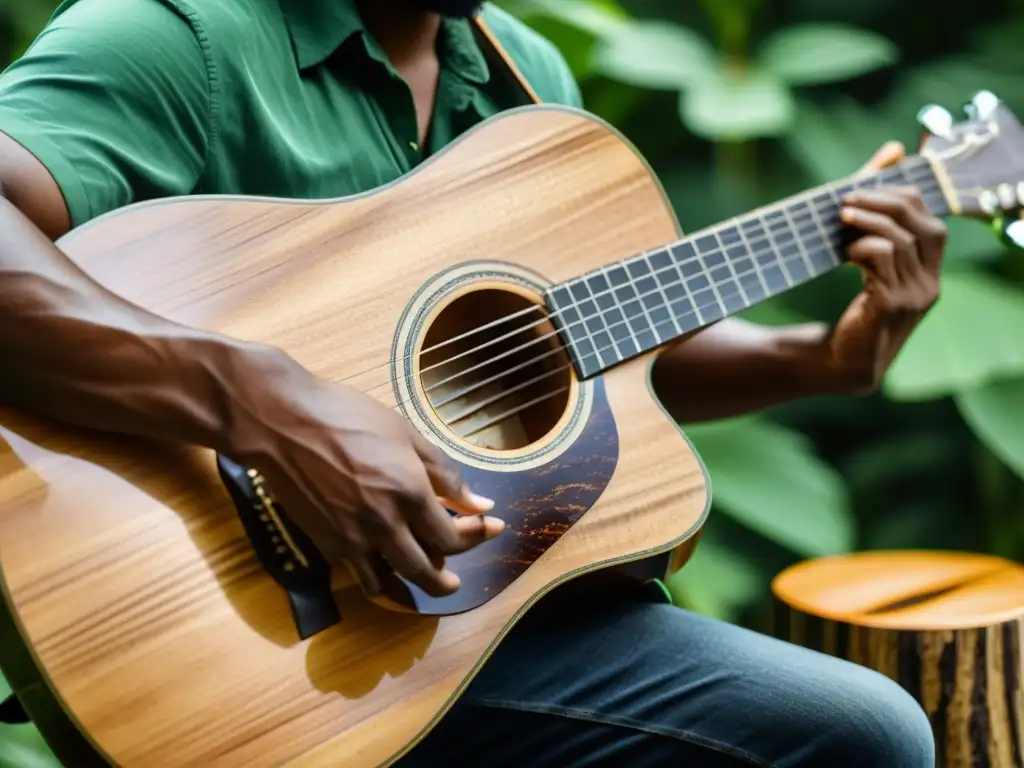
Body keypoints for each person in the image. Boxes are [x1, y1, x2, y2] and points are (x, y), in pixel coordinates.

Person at [0, 0, 945, 765]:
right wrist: (260, 405)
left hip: (478, 624)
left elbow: (566, 351)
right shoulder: (176, 37)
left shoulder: (525, 80)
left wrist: (820, 359)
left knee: (858, 729)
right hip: (226, 644)